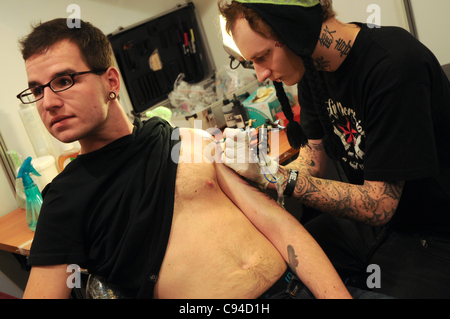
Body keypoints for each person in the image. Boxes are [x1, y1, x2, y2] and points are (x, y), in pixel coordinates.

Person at [17, 18, 353, 299]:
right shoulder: (65, 201)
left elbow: (280, 227)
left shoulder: (185, 140)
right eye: (36, 90)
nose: (48, 102)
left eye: (63, 81)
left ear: (111, 81)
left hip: (295, 290)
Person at [219, 0, 450, 298]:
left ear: (295, 30)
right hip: (379, 228)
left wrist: (276, 177)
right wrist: (257, 174)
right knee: (276, 266)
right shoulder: (315, 69)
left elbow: (378, 205)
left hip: (434, 230)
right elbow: (314, 160)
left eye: (263, 56)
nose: (261, 74)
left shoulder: (392, 66)